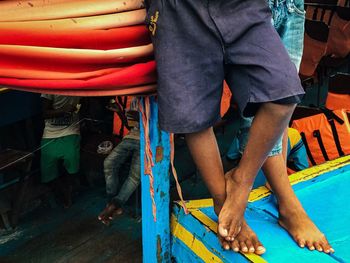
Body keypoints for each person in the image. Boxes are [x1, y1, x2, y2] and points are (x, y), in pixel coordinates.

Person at [146, 0, 333, 255]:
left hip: (242, 5)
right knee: (195, 116)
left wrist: (245, 182)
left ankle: (240, 182)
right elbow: (194, 121)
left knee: (283, 95)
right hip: (178, 8)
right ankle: (222, 202)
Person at [98, 98, 140, 225]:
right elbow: (129, 126)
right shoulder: (135, 100)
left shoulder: (159, 99)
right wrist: (120, 112)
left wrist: (142, 117)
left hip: (151, 138)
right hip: (131, 137)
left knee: (135, 174)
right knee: (109, 163)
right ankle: (113, 205)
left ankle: (114, 205)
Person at [41, 94, 81, 208]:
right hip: (50, 133)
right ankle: (64, 192)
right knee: (47, 172)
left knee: (72, 163)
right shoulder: (49, 88)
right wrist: (63, 110)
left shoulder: (79, 85)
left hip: (71, 130)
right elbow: (44, 113)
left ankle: (68, 193)